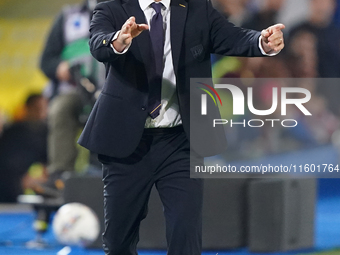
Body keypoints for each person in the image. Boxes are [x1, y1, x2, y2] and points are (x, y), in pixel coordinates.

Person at [78, 0, 285, 254]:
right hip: (126, 144)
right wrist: (118, 41)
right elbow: (97, 43)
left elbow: (231, 36)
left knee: (185, 236)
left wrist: (262, 42)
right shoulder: (111, 6)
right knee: (119, 240)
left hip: (181, 141)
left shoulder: (196, 6)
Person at [39, 0, 106, 195]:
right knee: (61, 108)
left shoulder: (126, 11)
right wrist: (62, 69)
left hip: (112, 90)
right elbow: (47, 61)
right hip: (76, 90)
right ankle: (60, 174)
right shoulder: (68, 17)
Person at [0, 94, 48, 203]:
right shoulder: (11, 131)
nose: (40, 114)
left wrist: (37, 180)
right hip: (7, 184)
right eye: (37, 109)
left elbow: (46, 164)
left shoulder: (44, 133)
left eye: (43, 109)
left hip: (16, 191)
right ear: (27, 108)